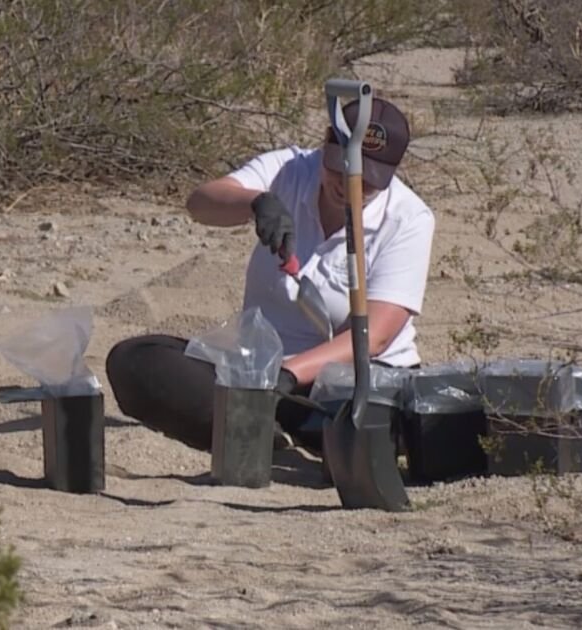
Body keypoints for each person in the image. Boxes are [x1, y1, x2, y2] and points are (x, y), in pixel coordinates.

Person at [105, 97, 435, 453]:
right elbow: (200, 203)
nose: (347, 186)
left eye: (366, 182)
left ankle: (257, 424)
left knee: (377, 425)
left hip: (350, 379)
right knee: (136, 359)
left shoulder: (408, 219)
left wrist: (287, 376)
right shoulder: (290, 169)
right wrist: (256, 202)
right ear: (325, 147)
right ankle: (264, 427)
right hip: (260, 368)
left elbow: (374, 337)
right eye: (338, 170)